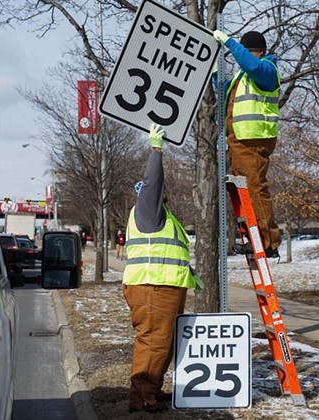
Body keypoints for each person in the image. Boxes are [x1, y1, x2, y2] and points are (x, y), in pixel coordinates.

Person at [122, 123, 203, 413]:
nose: (162, 192)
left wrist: (189, 274)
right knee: (154, 342)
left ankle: (152, 392)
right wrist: (156, 150)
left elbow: (166, 250)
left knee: (163, 343)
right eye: (157, 191)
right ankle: (141, 399)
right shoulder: (147, 206)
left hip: (164, 285)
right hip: (152, 285)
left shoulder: (161, 216)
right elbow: (153, 182)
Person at [213, 29, 281, 258]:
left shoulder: (267, 71)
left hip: (254, 140)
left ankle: (268, 242)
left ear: (260, 52)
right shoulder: (241, 78)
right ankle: (254, 238)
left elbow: (252, 66)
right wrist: (215, 72)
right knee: (244, 192)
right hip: (238, 141)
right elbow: (223, 92)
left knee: (255, 188)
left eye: (248, 51)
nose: (244, 57)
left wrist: (230, 43)